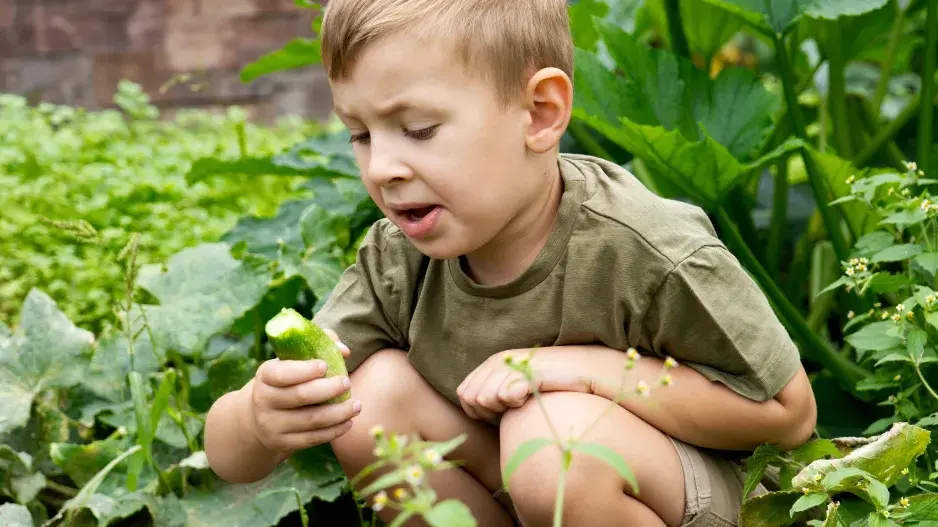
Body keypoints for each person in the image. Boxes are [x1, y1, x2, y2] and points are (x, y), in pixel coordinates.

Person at [204, 0, 818, 525]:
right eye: (361, 134)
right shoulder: (397, 261)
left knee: (556, 438)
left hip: (702, 496)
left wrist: (580, 369)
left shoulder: (644, 247)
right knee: (374, 399)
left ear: (541, 113)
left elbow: (789, 416)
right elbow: (230, 460)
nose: (381, 167)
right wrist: (259, 419)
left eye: (417, 129)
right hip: (535, 483)